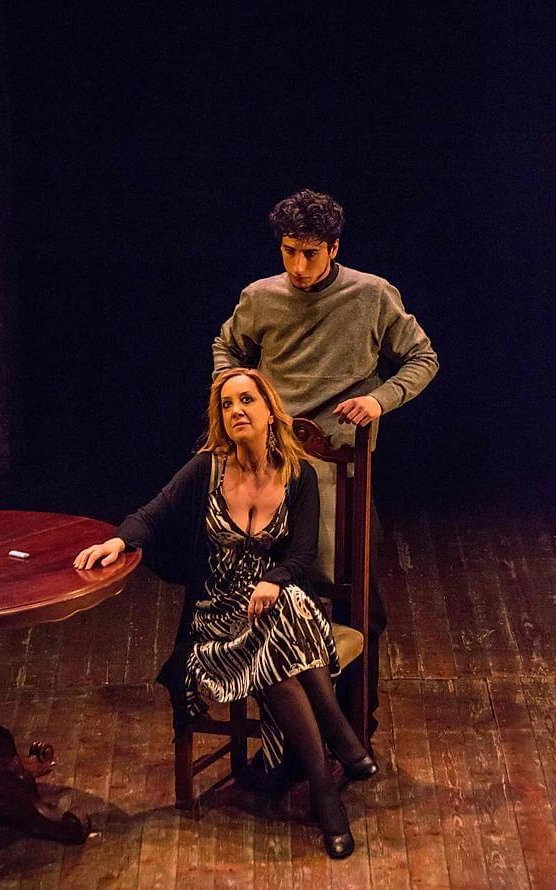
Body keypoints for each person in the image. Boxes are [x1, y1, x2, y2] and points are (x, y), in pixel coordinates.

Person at [74, 368, 378, 859]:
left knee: (284, 611)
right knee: (283, 630)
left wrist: (273, 580)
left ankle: (325, 789)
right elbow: (153, 513)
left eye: (247, 400)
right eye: (227, 404)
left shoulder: (298, 475)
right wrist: (118, 541)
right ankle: (339, 747)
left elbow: (301, 556)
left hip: (277, 611)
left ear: (269, 410)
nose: (237, 410)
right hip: (217, 621)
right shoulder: (208, 469)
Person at [212, 188, 439, 744]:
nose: (298, 265)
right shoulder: (260, 297)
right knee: (273, 599)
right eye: (289, 251)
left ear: (334, 248)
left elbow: (423, 357)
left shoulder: (371, 294)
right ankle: (288, 742)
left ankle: (356, 727)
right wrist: (239, 398)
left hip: (343, 476)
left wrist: (379, 399)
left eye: (310, 253)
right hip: (274, 472)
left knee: (358, 601)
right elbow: (227, 348)